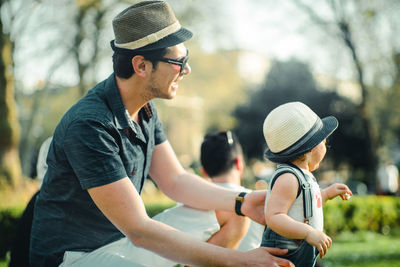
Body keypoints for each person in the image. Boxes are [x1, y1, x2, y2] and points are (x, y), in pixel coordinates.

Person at [29, 1, 293, 266]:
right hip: (74, 258)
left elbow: (176, 181)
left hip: (121, 242)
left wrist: (243, 201)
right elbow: (140, 230)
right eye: (179, 61)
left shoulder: (146, 110)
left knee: (232, 208)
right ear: (141, 66)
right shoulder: (90, 125)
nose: (186, 70)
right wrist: (238, 260)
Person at [260, 102, 353, 267]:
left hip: (301, 250)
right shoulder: (288, 178)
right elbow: (274, 217)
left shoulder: (304, 175)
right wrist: (309, 232)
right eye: (324, 141)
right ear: (311, 148)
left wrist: (325, 194)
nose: (326, 144)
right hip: (286, 254)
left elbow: (303, 206)